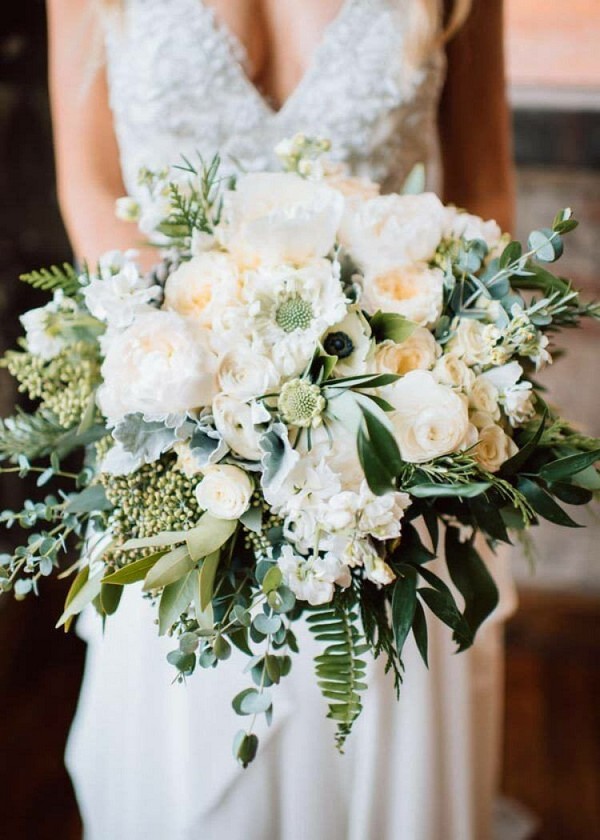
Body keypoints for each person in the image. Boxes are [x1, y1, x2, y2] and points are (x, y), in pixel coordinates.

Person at [46, 2, 518, 838]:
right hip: (176, 447)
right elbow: (90, 181)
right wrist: (199, 387)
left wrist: (450, 366)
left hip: (399, 442)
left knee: (386, 761)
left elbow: (484, 186)